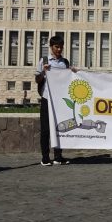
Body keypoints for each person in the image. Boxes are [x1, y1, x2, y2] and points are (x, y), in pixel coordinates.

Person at [35, 35, 76, 166]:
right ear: (51, 47)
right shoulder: (44, 60)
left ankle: (58, 156)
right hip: (47, 99)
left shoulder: (65, 62)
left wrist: (73, 72)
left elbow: (68, 80)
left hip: (60, 100)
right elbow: (37, 79)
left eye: (61, 47)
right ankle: (45, 157)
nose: (59, 49)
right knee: (46, 129)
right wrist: (43, 72)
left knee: (60, 128)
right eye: (56, 47)